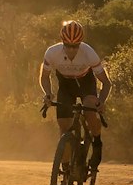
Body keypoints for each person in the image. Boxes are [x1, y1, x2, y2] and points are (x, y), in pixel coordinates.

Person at [39, 19, 111, 170]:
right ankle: (65, 169)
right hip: (66, 85)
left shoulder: (89, 53)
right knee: (64, 128)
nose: (71, 50)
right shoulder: (52, 52)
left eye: (75, 46)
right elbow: (44, 77)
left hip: (86, 82)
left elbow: (106, 83)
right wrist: (48, 94)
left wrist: (101, 102)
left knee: (90, 109)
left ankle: (97, 142)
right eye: (68, 46)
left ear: (80, 43)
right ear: (62, 42)